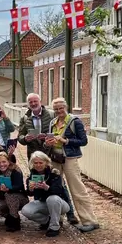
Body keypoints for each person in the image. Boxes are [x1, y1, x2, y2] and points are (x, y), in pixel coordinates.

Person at [18, 93, 79, 224]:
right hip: (34, 155)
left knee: (58, 183)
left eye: (35, 101)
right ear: (28, 103)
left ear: (40, 101)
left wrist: (46, 137)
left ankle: (69, 213)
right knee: (37, 181)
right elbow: (20, 136)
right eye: (30, 102)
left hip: (51, 154)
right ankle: (48, 214)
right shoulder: (25, 117)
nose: (33, 104)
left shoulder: (51, 115)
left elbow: (57, 131)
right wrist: (25, 139)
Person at [44, 97, 100, 233]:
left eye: (61, 108)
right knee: (56, 188)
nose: (59, 111)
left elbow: (83, 141)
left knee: (77, 189)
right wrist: (48, 143)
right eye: (56, 109)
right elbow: (48, 141)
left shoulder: (75, 122)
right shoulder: (53, 122)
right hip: (55, 158)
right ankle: (57, 219)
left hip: (69, 158)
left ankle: (89, 220)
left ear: (66, 107)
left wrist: (65, 140)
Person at [20, 151, 71, 237]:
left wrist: (46, 187)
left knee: (52, 198)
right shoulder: (32, 176)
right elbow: (30, 194)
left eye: (41, 162)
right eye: (36, 163)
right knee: (26, 210)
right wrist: (30, 189)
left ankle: (54, 227)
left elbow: (58, 191)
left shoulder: (54, 174)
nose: (38, 165)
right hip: (43, 202)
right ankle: (47, 221)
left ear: (46, 162)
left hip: (59, 203)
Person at [0, 152, 28, 231]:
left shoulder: (15, 170)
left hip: (18, 197)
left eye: (4, 162)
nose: (2, 164)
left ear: (8, 161)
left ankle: (15, 220)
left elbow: (19, 186)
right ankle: (8, 215)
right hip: (2, 198)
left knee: (10, 196)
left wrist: (8, 189)